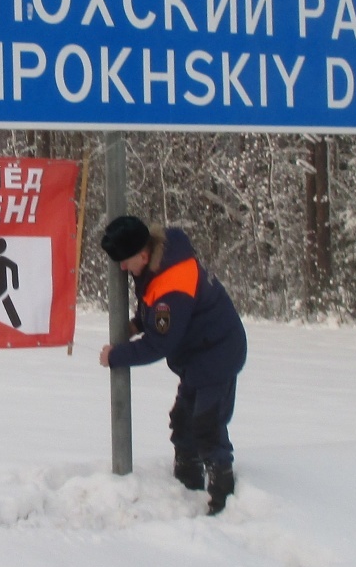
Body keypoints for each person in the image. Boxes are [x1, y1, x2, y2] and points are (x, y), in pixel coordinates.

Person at [98, 215, 248, 515]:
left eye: (125, 262)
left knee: (207, 423)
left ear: (143, 254)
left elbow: (160, 342)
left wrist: (116, 356)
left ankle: (223, 492)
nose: (122, 269)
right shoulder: (162, 259)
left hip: (217, 353)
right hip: (198, 354)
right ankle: (187, 477)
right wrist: (137, 323)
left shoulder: (172, 284)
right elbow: (156, 307)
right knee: (183, 418)